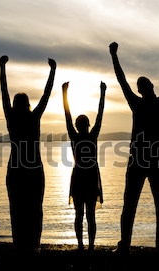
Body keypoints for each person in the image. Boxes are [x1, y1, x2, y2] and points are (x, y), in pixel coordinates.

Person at [109, 39, 159, 252]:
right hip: (139, 158)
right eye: (140, 86)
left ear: (151, 87)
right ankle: (126, 243)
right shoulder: (140, 103)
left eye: (143, 85)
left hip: (153, 158)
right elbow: (122, 80)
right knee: (132, 203)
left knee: (158, 205)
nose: (141, 88)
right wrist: (114, 56)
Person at [0, 55, 56, 250]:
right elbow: (46, 95)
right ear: (27, 104)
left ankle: (21, 245)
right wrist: (52, 71)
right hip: (31, 169)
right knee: (33, 209)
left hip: (17, 169)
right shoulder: (33, 117)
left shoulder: (13, 118)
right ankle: (33, 245)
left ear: (16, 105)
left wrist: (2, 67)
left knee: (18, 210)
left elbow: (4, 92)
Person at [62, 81, 106, 251]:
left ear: (78, 126)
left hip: (82, 175)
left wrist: (65, 94)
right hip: (87, 175)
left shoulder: (75, 136)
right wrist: (102, 93)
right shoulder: (91, 135)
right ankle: (88, 246)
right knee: (88, 215)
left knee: (80, 215)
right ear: (86, 125)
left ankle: (84, 245)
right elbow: (100, 115)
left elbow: (67, 116)